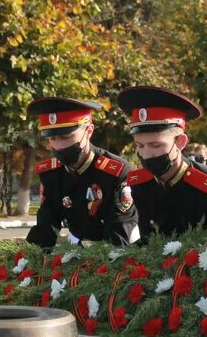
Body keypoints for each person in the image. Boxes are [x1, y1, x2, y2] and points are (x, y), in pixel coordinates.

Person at [120, 87, 207, 239]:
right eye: (140, 145)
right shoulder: (138, 183)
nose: (146, 155)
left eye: (156, 145)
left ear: (180, 142)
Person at [25, 97, 137, 250]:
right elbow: (45, 227)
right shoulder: (51, 173)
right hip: (75, 248)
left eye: (66, 137)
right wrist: (29, 260)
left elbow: (119, 232)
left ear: (88, 131)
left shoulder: (116, 172)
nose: (59, 146)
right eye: (52, 138)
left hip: (114, 252)